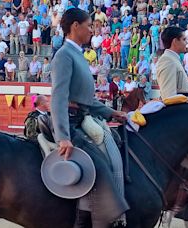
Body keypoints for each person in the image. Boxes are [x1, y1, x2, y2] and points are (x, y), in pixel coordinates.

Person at [50, 8, 129, 227]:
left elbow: (85, 99)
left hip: (82, 117)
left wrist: (111, 112)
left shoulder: (76, 54)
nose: (92, 31)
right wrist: (63, 136)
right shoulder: (64, 55)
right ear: (75, 26)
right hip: (71, 122)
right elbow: (59, 97)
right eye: (88, 26)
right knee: (98, 165)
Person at [156, 27, 188, 98]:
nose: (186, 42)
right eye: (184, 39)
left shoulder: (173, 59)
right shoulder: (167, 60)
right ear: (175, 41)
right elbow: (169, 96)